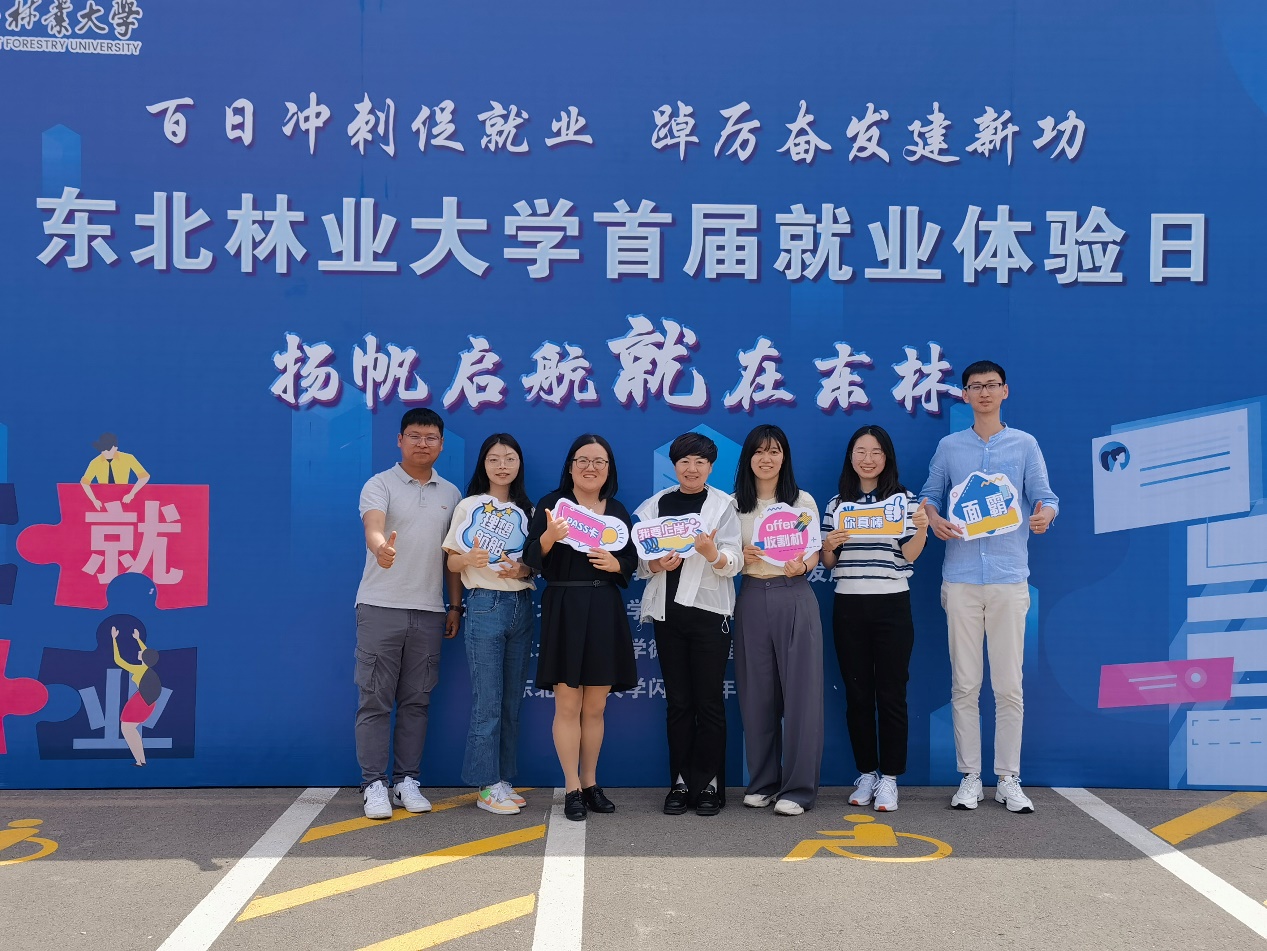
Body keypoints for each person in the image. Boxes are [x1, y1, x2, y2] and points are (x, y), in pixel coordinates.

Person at [918, 361, 1058, 814]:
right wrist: (933, 519)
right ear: (963, 395)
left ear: (1005, 391)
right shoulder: (950, 446)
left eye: (991, 386)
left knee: (1008, 685)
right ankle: (970, 777)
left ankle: (1009, 778)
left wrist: (1044, 515)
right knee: (965, 683)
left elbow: (1046, 496)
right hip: (960, 578)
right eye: (975, 386)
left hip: (1009, 578)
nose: (983, 392)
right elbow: (929, 495)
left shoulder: (1024, 444)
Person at [355, 408, 463, 821]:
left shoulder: (451, 494)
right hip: (380, 606)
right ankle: (373, 784)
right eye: (414, 436)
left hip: (430, 610)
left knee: (417, 701)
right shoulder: (379, 484)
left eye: (430, 437)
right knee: (374, 700)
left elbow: (452, 557)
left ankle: (406, 781)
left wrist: (454, 605)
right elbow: (374, 526)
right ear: (399, 440)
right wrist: (380, 546)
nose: (422, 443)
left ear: (441, 444)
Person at [524, 434, 638, 822]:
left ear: (609, 469)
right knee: (568, 703)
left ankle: (591, 783)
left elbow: (631, 559)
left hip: (605, 607)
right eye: (583, 460)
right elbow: (530, 557)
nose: (591, 468)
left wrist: (617, 565)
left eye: (599, 461)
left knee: (596, 706)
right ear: (570, 467)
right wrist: (549, 537)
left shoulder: (617, 511)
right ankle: (571, 786)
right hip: (565, 606)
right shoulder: (552, 505)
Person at [821, 425, 929, 813]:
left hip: (891, 604)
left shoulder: (904, 500)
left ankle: (891, 778)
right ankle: (866, 772)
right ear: (850, 457)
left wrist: (921, 529)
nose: (868, 459)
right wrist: (828, 545)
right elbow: (828, 563)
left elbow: (910, 555)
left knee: (892, 693)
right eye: (861, 451)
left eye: (876, 452)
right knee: (857, 694)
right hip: (848, 605)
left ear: (887, 458)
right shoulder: (837, 504)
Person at [634, 432, 742, 817]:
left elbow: (735, 561)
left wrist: (713, 554)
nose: (691, 468)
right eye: (684, 461)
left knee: (709, 702)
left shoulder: (723, 505)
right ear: (674, 466)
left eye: (700, 462)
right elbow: (641, 562)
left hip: (710, 615)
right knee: (678, 703)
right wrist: (655, 563)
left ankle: (709, 784)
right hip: (668, 616)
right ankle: (680, 783)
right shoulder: (656, 506)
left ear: (711, 467)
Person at [731, 424, 823, 816]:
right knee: (757, 696)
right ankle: (763, 783)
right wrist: (741, 556)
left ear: (784, 457)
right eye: (759, 451)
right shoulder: (733, 505)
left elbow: (813, 549)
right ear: (748, 458)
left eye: (774, 451)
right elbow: (723, 557)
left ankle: (798, 790)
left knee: (802, 696)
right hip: (751, 596)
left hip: (794, 595)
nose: (766, 459)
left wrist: (804, 565)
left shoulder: (801, 502)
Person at [443, 434, 536, 816]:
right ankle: (485, 785)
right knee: (488, 700)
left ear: (519, 464)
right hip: (484, 604)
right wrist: (469, 559)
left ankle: (502, 779)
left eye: (509, 458)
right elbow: (450, 561)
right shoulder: (469, 506)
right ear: (483, 463)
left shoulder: (528, 510)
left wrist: (523, 569)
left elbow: (534, 565)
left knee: (511, 701)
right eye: (494, 458)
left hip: (522, 605)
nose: (502, 465)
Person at [110, 626, 161, 767]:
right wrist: (138, 639)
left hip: (141, 701)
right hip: (147, 701)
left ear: (144, 658)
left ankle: (140, 760)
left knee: (127, 729)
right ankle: (141, 760)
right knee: (130, 730)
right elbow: (146, 652)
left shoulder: (139, 669)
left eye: (141, 652)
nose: (140, 651)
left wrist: (114, 639)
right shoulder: (147, 668)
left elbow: (118, 660)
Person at [81, 433, 149, 510]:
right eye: (103, 450)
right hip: (104, 500)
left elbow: (145, 477)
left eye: (109, 450)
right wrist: (94, 500)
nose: (106, 453)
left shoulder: (128, 458)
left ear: (115, 448)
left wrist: (131, 494)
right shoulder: (95, 462)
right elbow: (84, 482)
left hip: (124, 498)